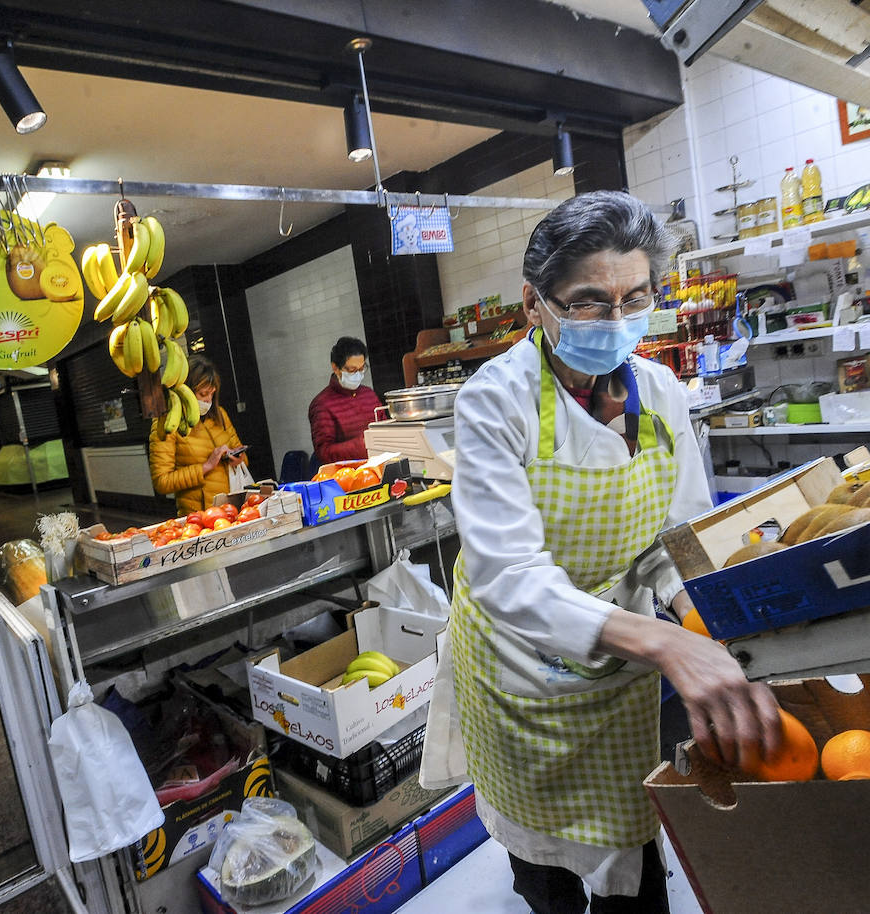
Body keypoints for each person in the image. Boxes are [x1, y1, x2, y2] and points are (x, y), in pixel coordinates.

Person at [422, 191, 780, 913]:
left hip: (621, 671)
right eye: (588, 302)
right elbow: (508, 574)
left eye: (635, 297)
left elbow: (673, 539)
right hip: (518, 670)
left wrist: (703, 625)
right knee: (547, 876)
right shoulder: (497, 401)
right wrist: (664, 643)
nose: (617, 321)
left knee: (635, 857)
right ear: (535, 303)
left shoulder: (662, 393)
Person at [148, 354, 247, 514]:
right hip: (199, 516)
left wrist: (238, 458)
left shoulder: (220, 414)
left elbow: (241, 455)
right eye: (202, 394)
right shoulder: (167, 423)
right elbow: (162, 482)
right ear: (186, 390)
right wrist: (206, 466)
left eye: (212, 393)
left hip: (233, 508)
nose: (208, 400)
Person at [308, 336, 383, 464]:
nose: (358, 374)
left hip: (380, 466)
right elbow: (324, 453)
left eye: (362, 369)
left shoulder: (369, 394)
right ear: (335, 368)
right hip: (348, 477)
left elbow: (383, 427)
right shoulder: (322, 405)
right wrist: (362, 445)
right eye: (352, 370)